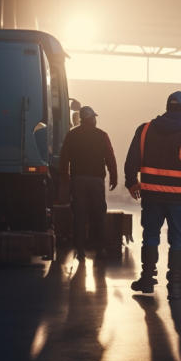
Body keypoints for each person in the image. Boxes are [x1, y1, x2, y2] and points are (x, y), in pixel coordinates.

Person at [125, 91, 181, 300]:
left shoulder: (145, 130)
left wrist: (132, 183)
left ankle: (147, 280)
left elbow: (131, 159)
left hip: (151, 197)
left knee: (150, 236)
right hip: (178, 199)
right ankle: (176, 286)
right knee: (177, 240)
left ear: (168, 107)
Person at [58, 106, 118, 260]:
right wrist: (114, 176)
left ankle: (80, 250)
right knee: (98, 214)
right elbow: (110, 157)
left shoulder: (72, 135)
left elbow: (64, 159)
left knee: (79, 215)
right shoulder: (102, 135)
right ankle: (100, 248)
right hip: (96, 181)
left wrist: (65, 179)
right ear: (91, 119)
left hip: (78, 181)